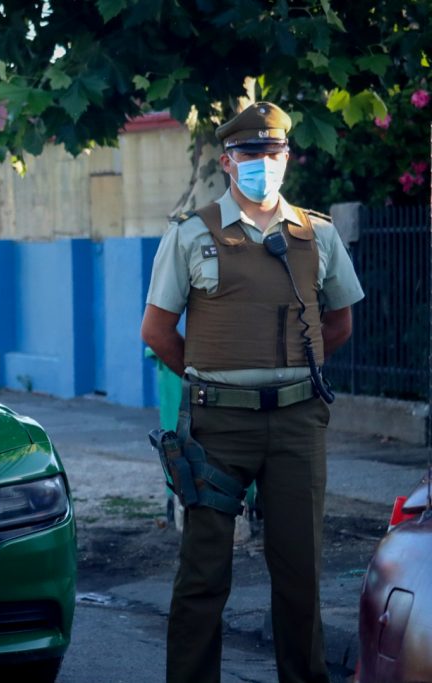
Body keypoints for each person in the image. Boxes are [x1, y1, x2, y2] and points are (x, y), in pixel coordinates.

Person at [140, 101, 365, 683]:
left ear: (287, 158)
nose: (262, 162)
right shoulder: (191, 234)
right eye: (249, 153)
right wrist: (212, 377)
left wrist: (295, 370)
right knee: (203, 574)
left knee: (300, 574)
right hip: (217, 429)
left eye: (273, 152)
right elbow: (157, 332)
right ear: (227, 161)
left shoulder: (317, 233)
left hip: (297, 424)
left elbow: (339, 322)